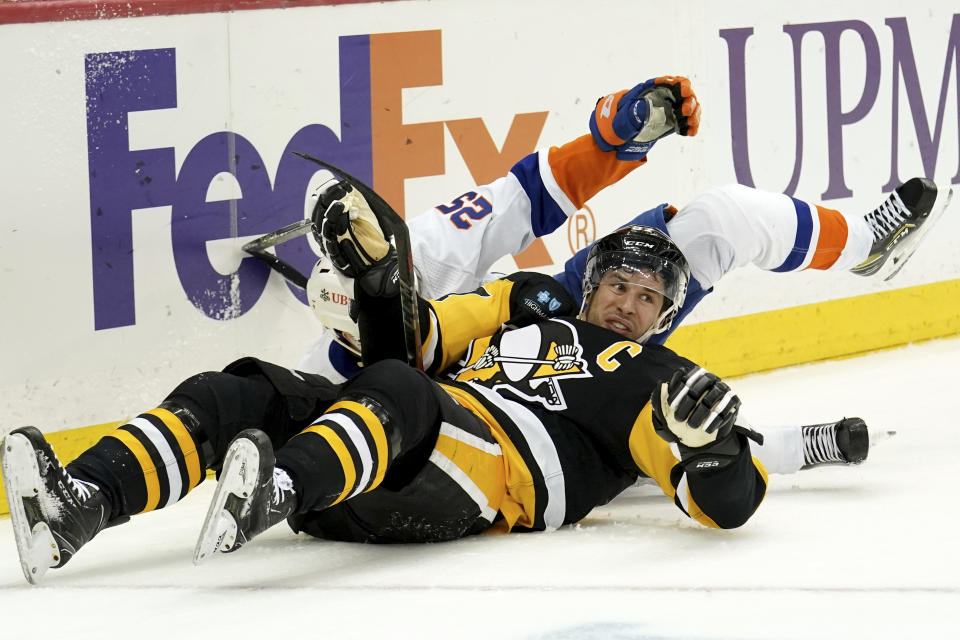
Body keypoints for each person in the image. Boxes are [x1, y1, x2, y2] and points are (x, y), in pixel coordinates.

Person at [296, 78, 947, 474]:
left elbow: (526, 196)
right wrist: (792, 447)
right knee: (631, 436)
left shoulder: (424, 250)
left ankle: (863, 245)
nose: (376, 251)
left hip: (570, 304)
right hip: (526, 407)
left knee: (720, 218)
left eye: (373, 244)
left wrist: (619, 138)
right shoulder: (343, 386)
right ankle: (780, 445)